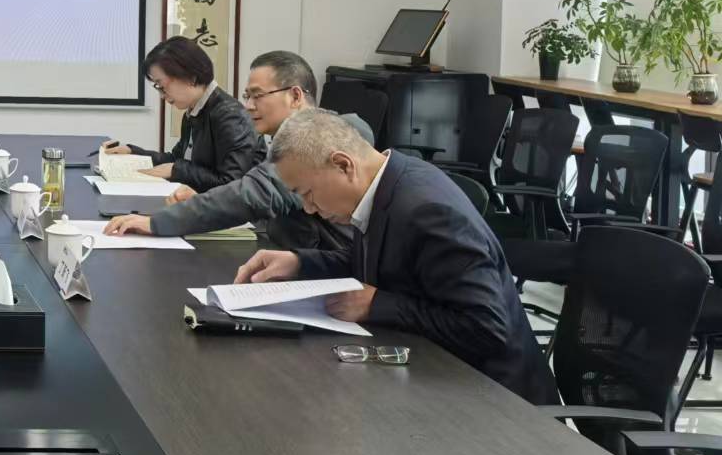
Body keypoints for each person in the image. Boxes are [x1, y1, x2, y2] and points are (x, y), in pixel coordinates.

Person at [235, 109, 557, 405]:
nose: (307, 208)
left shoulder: (428, 211)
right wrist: (299, 262)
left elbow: (486, 328)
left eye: (307, 193)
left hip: (498, 401)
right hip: (438, 372)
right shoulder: (386, 181)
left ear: (344, 165)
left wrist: (378, 304)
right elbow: (383, 262)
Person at [105, 50, 370, 250]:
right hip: (287, 251)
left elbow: (254, 193)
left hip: (326, 265)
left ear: (295, 96)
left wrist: (156, 222)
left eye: (257, 95)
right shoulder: (283, 141)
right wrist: (201, 198)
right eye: (247, 96)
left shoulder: (336, 135)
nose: (249, 106)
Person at [101, 38, 262, 193]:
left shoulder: (229, 115)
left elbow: (231, 184)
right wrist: (133, 152)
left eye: (161, 86)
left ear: (190, 77)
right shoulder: (194, 110)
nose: (162, 96)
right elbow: (177, 159)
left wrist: (176, 170)